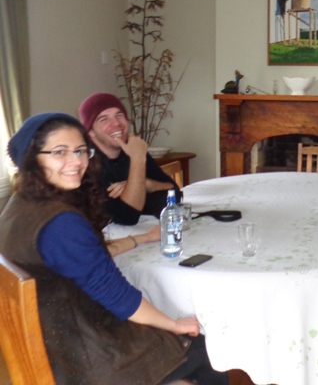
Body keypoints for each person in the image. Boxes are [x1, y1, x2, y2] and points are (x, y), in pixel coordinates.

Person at [0, 113, 227, 384]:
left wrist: (142, 238)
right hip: (82, 357)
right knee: (210, 351)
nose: (76, 161)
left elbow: (84, 257)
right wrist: (174, 324)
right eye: (60, 152)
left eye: (81, 151)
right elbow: (118, 296)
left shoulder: (19, 205)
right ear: (32, 159)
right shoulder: (61, 223)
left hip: (50, 338)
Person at [78, 92, 180, 225]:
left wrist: (146, 184)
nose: (116, 123)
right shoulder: (86, 164)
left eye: (119, 115)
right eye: (104, 119)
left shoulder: (132, 150)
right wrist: (137, 160)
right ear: (90, 131)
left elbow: (174, 195)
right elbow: (128, 217)